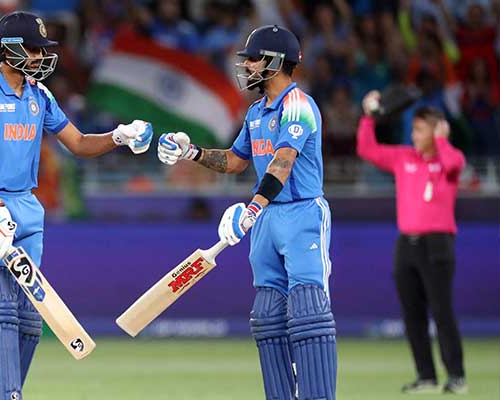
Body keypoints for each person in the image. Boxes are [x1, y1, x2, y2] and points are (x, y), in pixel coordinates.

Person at [0, 11, 152, 400]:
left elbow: (77, 144)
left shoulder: (39, 94)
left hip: (27, 207)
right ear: (10, 49)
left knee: (29, 318)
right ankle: (5, 386)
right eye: (33, 49)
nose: (41, 56)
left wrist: (119, 136)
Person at [158, 25, 337, 400]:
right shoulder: (256, 112)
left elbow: (282, 162)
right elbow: (237, 161)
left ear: (274, 62)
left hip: (302, 214)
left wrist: (253, 207)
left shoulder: (298, 106)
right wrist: (191, 154)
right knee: (267, 317)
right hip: (268, 219)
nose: (247, 66)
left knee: (307, 313)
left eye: (253, 59)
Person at [357, 91, 467, 394]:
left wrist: (443, 140)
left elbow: (453, 167)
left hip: (438, 243)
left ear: (437, 130)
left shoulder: (450, 157)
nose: (413, 135)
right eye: (414, 129)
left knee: (442, 312)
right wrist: (368, 117)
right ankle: (427, 376)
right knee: (412, 314)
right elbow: (367, 149)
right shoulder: (404, 158)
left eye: (420, 129)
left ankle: (456, 376)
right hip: (406, 244)